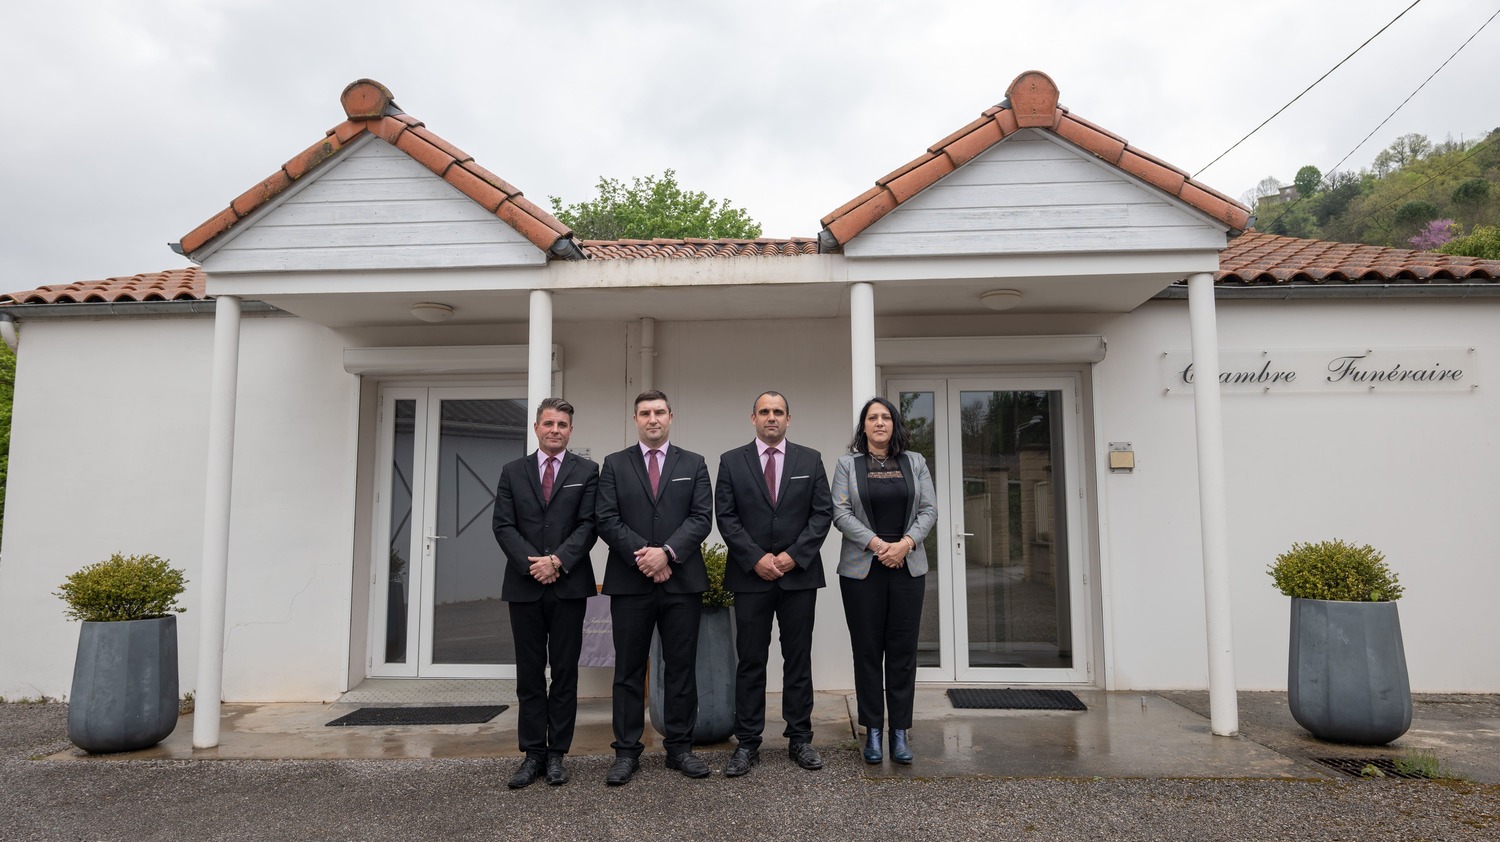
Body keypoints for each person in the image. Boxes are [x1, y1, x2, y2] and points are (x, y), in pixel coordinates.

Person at [596, 390, 714, 785]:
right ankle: (626, 752)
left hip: (681, 582)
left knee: (680, 668)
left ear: (671, 416)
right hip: (630, 583)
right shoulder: (614, 464)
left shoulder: (694, 463)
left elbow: (701, 518)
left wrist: (666, 553)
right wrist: (644, 556)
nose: (653, 419)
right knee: (628, 670)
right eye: (645, 413)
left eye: (659, 412)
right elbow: (606, 518)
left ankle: (680, 748)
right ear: (635, 419)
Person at [714, 391, 833, 777]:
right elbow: (726, 517)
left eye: (777, 412)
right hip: (751, 578)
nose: (771, 418)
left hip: (798, 577)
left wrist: (793, 556)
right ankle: (748, 743)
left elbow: (822, 514)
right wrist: (756, 558)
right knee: (750, 661)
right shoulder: (731, 462)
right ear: (752, 418)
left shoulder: (810, 459)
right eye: (764, 412)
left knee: (797, 659)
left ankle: (800, 738)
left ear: (788, 418)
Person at [491, 397, 599, 788]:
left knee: (565, 671)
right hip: (524, 586)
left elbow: (589, 524)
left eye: (563, 424)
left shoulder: (587, 471)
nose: (556, 429)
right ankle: (533, 753)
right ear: (536, 427)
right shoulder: (512, 471)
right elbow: (503, 525)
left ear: (571, 430)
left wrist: (556, 561)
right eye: (549, 423)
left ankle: (558, 755)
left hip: (568, 585)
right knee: (530, 674)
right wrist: (532, 563)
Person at [831, 396, 937, 765]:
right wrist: (879, 546)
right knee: (867, 651)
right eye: (872, 418)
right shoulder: (848, 465)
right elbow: (840, 512)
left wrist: (904, 545)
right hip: (863, 571)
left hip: (907, 568)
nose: (879, 423)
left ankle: (900, 731)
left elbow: (929, 509)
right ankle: (873, 730)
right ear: (863, 427)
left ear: (895, 425)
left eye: (885, 417)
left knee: (903, 652)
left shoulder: (915, 462)